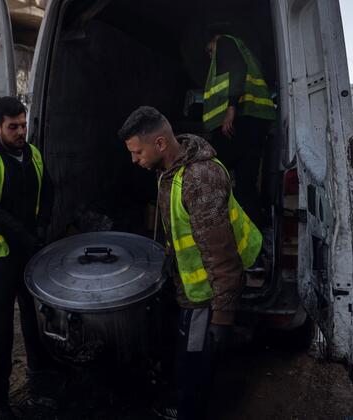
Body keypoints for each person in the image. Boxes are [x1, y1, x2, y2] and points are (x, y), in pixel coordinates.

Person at [119, 106, 262, 420]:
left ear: (160, 144)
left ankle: (188, 412)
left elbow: (223, 258)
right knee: (186, 358)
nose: (134, 160)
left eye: (137, 152)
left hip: (207, 292)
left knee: (193, 363)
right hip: (191, 287)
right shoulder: (170, 170)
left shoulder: (199, 181)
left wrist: (222, 319)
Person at [0, 96, 54, 419]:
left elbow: (48, 191)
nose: (21, 132)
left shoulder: (32, 154)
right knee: (0, 327)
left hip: (30, 251)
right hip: (1, 257)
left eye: (23, 124)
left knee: (34, 317)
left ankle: (40, 374)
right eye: (13, 127)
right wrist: (25, 236)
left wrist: (44, 226)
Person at [202, 27, 276, 228]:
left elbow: (237, 69)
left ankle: (220, 228)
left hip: (240, 122)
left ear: (215, 40)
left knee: (217, 178)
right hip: (252, 123)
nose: (210, 56)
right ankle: (254, 235)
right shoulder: (245, 52)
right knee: (245, 186)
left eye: (210, 50)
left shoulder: (225, 41)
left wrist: (231, 109)